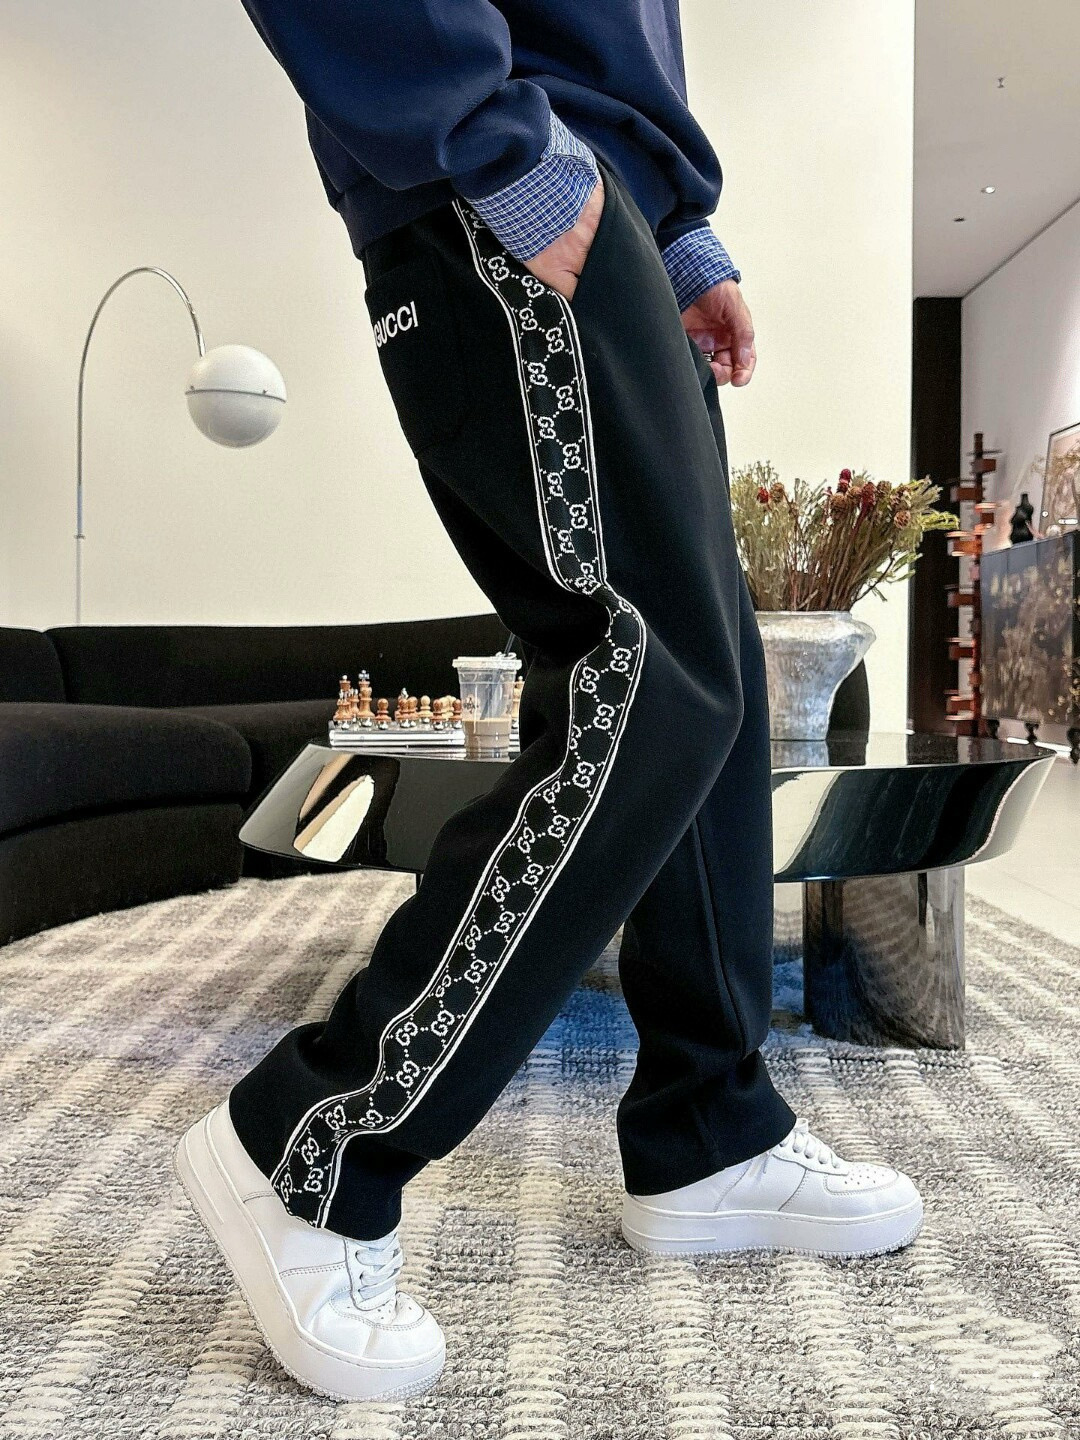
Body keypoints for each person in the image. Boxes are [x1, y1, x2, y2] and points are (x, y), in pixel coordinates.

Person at [175, 0, 924, 1403]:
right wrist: (483, 131)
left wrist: (679, 225)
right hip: (507, 160)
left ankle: (710, 1127)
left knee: (708, 683)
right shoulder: (503, 150)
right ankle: (315, 1141)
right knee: (650, 679)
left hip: (597, 184)